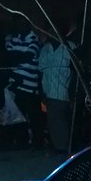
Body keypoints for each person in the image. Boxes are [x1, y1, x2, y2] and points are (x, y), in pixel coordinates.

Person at [4, 17, 43, 148]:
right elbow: (8, 57)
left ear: (28, 24)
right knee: (18, 115)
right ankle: (22, 142)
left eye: (23, 23)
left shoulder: (34, 39)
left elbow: (27, 56)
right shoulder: (14, 38)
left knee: (33, 116)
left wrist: (15, 57)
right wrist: (17, 57)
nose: (20, 25)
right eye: (18, 23)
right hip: (15, 84)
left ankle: (37, 142)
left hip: (30, 84)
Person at [37, 26, 77, 154]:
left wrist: (73, 90)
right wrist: (41, 92)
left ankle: (64, 147)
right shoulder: (45, 49)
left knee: (62, 120)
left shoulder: (70, 47)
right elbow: (41, 71)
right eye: (50, 31)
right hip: (49, 90)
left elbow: (76, 71)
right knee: (54, 120)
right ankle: (60, 146)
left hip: (65, 90)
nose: (52, 33)